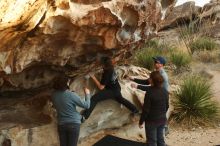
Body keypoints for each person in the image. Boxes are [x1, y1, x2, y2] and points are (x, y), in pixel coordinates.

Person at [127, 56, 169, 135]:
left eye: (157, 62)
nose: (155, 63)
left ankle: (163, 130)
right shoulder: (156, 72)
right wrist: (134, 79)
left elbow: (153, 89)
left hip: (161, 97)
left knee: (156, 115)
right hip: (160, 96)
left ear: (162, 65)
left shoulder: (162, 75)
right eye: (155, 61)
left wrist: (137, 86)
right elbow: (147, 82)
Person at [131, 71, 169, 146]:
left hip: (152, 121)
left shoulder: (150, 93)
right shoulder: (164, 91)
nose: (148, 79)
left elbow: (146, 110)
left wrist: (141, 122)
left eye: (149, 78)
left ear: (151, 80)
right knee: (160, 140)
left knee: (152, 142)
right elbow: (167, 106)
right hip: (162, 119)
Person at [52, 76, 90, 146]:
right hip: (73, 124)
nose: (69, 83)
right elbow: (87, 105)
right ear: (65, 84)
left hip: (61, 124)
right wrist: (87, 94)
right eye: (68, 82)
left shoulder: (53, 95)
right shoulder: (71, 95)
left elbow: (59, 104)